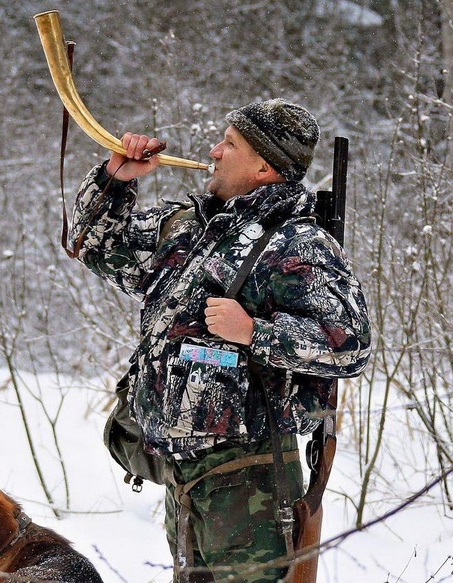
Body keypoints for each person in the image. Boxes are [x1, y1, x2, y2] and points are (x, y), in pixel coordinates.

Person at [69, 99, 371, 583]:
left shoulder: (297, 246)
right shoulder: (191, 227)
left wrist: (254, 332)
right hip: (183, 475)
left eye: (229, 144)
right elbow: (90, 244)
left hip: (250, 480)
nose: (213, 151)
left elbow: (349, 344)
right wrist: (115, 179)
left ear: (264, 167)